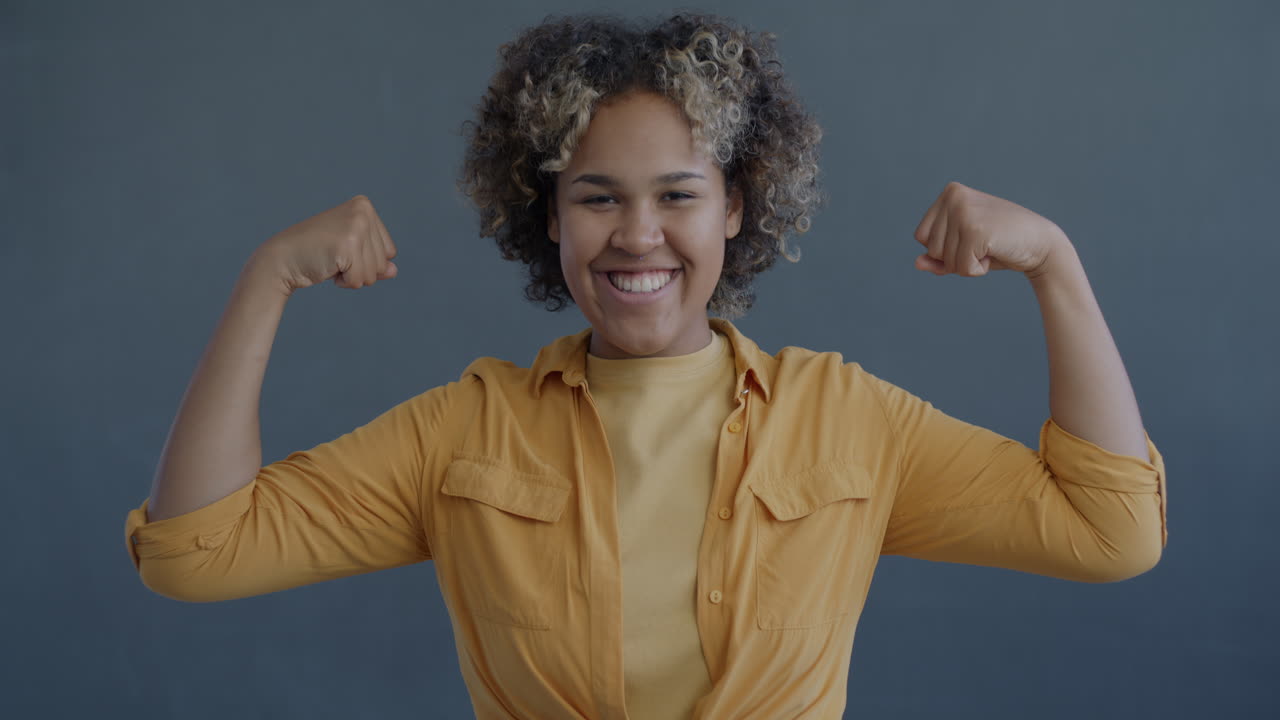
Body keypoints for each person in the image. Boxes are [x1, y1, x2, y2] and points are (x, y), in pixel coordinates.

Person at [124, 12, 1167, 719]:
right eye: (595, 197)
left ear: (736, 209)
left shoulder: (846, 419)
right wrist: (266, 280)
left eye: (676, 195)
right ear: (548, 218)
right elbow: (194, 552)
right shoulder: (464, 432)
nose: (637, 234)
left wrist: (1054, 268)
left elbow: (1108, 532)